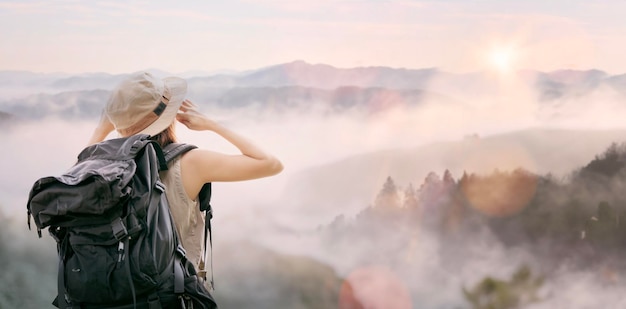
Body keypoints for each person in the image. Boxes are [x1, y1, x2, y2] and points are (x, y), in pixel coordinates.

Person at [87, 71, 284, 288]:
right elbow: (270, 164)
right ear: (168, 118)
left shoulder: (101, 168)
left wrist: (101, 130)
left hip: (117, 294)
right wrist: (211, 124)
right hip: (170, 294)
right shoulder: (191, 163)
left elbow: (72, 181)